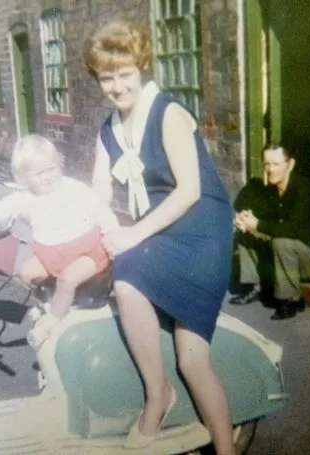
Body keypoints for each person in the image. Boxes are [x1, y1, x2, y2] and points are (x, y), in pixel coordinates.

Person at [83, 18, 235, 454]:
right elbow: (98, 189)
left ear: (141, 68)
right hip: (161, 230)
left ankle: (225, 448)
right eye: (107, 78)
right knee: (131, 285)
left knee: (188, 352)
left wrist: (130, 236)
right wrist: (96, 224)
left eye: (125, 74)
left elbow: (188, 192)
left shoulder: (167, 113)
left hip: (201, 228)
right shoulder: (108, 130)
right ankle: (158, 395)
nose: (117, 87)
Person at [0, 134, 118, 348]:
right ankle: (51, 303)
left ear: (59, 165)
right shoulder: (24, 198)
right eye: (39, 173)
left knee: (67, 279)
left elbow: (99, 209)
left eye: (51, 169)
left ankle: (52, 321)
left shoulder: (72, 188)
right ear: (24, 178)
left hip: (89, 249)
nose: (47, 177)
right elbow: (0, 209)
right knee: (26, 272)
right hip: (55, 254)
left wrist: (114, 234)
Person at [230, 143, 310, 320]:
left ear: (290, 164)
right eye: (266, 164)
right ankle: (256, 287)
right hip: (285, 257)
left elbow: (293, 229)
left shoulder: (302, 188)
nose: (270, 169)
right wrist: (245, 219)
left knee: (281, 241)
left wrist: (258, 225)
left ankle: (292, 299)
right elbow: (260, 216)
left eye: (275, 164)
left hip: (306, 260)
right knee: (247, 229)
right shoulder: (271, 190)